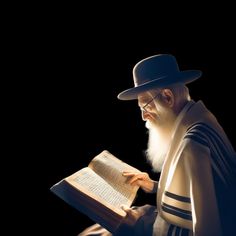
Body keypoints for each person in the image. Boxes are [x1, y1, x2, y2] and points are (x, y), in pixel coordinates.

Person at [79, 54, 236, 236]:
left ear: (167, 97)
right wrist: (153, 185)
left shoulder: (192, 143)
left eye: (145, 107)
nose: (144, 116)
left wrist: (138, 222)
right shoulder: (200, 118)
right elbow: (194, 195)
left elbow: (208, 226)